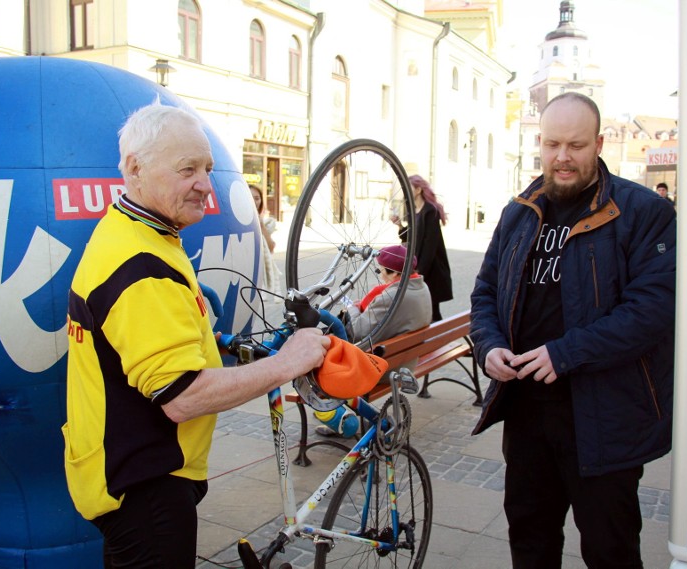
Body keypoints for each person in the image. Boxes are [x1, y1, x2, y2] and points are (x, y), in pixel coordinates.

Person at [63, 102, 330, 568]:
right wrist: (290, 361)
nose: (205, 184)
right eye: (187, 169)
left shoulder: (136, 231)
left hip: (127, 470)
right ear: (135, 169)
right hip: (145, 484)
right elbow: (182, 395)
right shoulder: (140, 267)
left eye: (207, 168)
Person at [469, 92, 676, 568]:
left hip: (604, 419)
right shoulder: (520, 210)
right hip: (527, 414)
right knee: (531, 542)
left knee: (610, 551)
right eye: (552, 143)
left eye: (576, 146)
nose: (562, 157)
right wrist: (490, 345)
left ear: (599, 143)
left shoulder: (642, 212)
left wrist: (563, 353)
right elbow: (485, 293)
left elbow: (650, 311)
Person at [315, 244, 432, 436]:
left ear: (394, 273)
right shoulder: (421, 286)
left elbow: (359, 330)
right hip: (406, 359)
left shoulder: (391, 295)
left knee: (322, 360)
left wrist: (351, 308)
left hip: (384, 368)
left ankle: (336, 417)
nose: (379, 274)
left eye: (380, 270)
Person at [392, 175, 452, 321]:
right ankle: (435, 340)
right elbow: (410, 240)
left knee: (432, 311)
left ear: (418, 189)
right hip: (421, 269)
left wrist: (419, 273)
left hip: (431, 271)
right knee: (425, 311)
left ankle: (439, 340)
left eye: (409, 186)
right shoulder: (413, 211)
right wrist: (400, 225)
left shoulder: (430, 211)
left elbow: (430, 247)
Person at [249, 184, 281, 297]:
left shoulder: (262, 223)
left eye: (257, 198)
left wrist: (261, 225)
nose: (254, 201)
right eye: (250, 197)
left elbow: (270, 247)